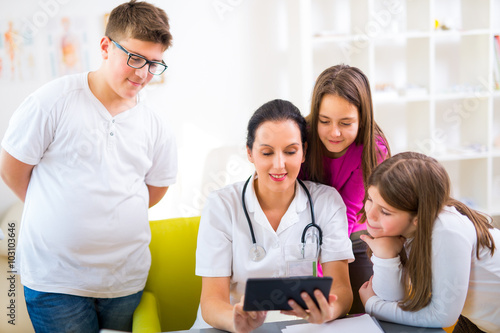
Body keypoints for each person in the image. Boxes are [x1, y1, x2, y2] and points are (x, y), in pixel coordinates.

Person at [0, 1, 177, 332]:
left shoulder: (156, 124)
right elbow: (12, 170)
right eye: (135, 57)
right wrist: (58, 209)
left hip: (125, 281)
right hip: (55, 282)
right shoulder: (51, 101)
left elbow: (154, 190)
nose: (142, 73)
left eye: (154, 64)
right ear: (105, 47)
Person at [193, 99, 354, 333]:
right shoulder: (221, 205)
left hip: (300, 327)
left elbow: (342, 290)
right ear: (249, 153)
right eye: (267, 152)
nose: (279, 165)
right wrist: (236, 320)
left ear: (303, 152)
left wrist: (329, 310)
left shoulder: (326, 202)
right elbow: (211, 303)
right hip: (229, 328)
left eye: (290, 151)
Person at [359, 152, 500, 332]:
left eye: (385, 211)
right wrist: (385, 255)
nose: (370, 214)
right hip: (475, 319)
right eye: (370, 199)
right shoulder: (404, 228)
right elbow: (392, 301)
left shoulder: (446, 230)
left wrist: (372, 304)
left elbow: (442, 316)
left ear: (417, 217)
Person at [300, 64, 390, 313]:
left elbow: (347, 217)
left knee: (364, 309)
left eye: (346, 122)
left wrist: (325, 271)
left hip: (352, 237)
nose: (334, 132)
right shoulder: (301, 137)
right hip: (303, 234)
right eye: (325, 121)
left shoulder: (373, 150)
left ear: (362, 119)